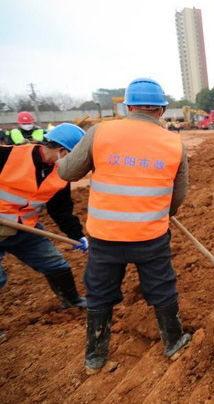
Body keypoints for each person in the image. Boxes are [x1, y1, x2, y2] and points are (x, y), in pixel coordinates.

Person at [57, 78, 191, 374]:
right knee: (162, 287)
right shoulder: (173, 142)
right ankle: (174, 342)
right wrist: (162, 214)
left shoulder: (100, 132)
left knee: (100, 292)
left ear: (128, 106)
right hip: (151, 236)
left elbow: (67, 172)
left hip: (106, 237)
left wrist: (63, 158)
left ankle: (95, 356)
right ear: (162, 110)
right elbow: (178, 194)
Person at [0, 123, 88, 309]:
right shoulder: (7, 155)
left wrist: (77, 235)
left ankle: (72, 301)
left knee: (55, 264)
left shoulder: (62, 173)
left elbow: (61, 210)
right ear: (63, 151)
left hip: (24, 228)